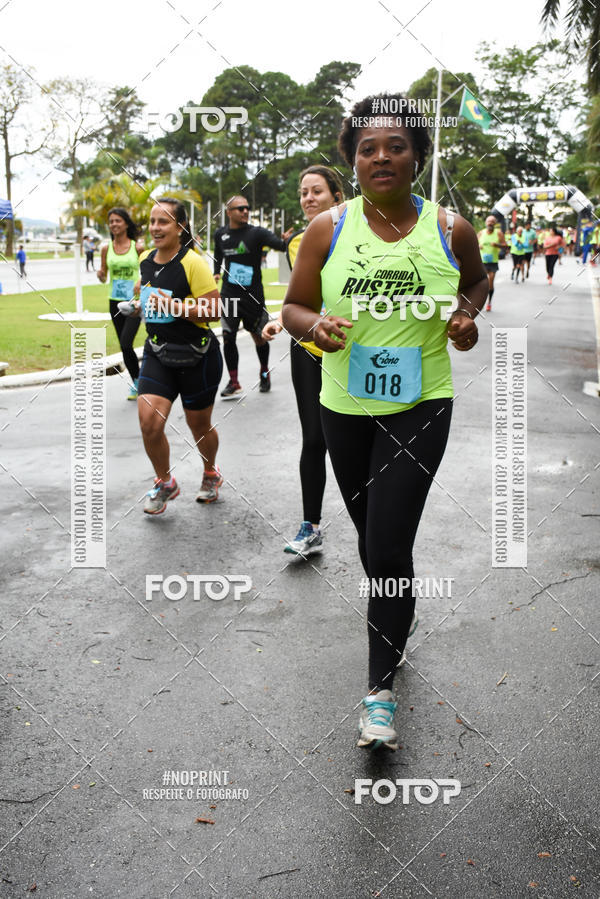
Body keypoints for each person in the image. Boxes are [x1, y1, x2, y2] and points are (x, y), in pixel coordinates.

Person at [282, 94, 488, 750]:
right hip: (345, 407)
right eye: (367, 148)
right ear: (353, 158)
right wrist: (316, 325)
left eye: (395, 146)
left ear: (417, 156)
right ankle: (396, 615)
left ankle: (378, 693)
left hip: (422, 405)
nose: (381, 157)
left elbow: (478, 284)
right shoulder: (328, 230)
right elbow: (292, 307)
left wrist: (465, 318)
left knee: (391, 544)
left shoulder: (452, 229)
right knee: (374, 546)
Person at [262, 165, 344, 555]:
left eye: (317, 192)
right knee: (314, 439)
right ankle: (310, 526)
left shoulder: (357, 235)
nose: (308, 198)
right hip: (308, 348)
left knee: (352, 441)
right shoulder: (296, 243)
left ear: (337, 197)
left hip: (351, 350)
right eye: (303, 192)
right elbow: (302, 297)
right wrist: (280, 320)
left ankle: (376, 526)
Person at [123, 198, 223, 513]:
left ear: (180, 227)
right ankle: (165, 481)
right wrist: (139, 300)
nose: (155, 228)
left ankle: (210, 473)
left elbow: (215, 310)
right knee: (149, 422)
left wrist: (175, 307)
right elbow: (146, 285)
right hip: (158, 351)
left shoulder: (193, 262)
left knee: (198, 424)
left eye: (163, 222)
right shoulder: (144, 258)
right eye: (152, 221)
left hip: (197, 354)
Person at [213, 196, 291, 398]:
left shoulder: (257, 233)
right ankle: (234, 381)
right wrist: (216, 272)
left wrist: (286, 240)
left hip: (253, 295)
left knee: (259, 337)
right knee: (228, 337)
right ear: (229, 212)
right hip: (229, 293)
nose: (245, 211)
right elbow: (218, 255)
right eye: (240, 208)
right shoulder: (220, 234)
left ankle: (264, 373)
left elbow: (281, 246)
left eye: (247, 208)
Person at [97, 208, 145, 400]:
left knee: (126, 342)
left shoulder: (138, 248)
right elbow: (103, 275)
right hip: (114, 302)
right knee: (124, 346)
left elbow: (148, 273)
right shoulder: (106, 248)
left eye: (118, 221)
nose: (114, 224)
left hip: (133, 303)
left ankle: (140, 380)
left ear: (126, 223)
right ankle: (137, 382)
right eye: (111, 222)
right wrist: (100, 275)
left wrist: (141, 281)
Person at [477, 215, 506, 311]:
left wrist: (497, 245)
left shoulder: (499, 233)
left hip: (493, 262)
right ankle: (480, 302)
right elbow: (473, 245)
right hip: (482, 262)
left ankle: (489, 302)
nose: (490, 223)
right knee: (482, 283)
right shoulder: (481, 233)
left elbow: (505, 245)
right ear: (486, 222)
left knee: (490, 282)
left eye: (492, 221)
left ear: (495, 223)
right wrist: (479, 246)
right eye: (488, 221)